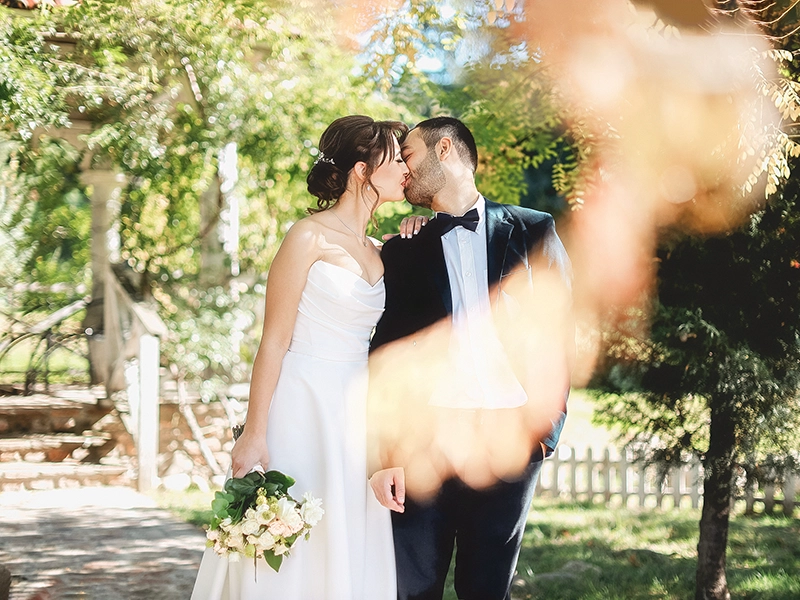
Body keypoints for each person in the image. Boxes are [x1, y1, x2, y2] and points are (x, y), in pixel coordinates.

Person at [190, 115, 411, 600]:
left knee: (348, 531)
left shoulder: (383, 250)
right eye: (396, 158)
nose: (405, 168)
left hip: (356, 410)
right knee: (293, 535)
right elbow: (273, 341)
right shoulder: (307, 237)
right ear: (361, 169)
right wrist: (253, 432)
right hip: (302, 400)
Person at [369, 117, 573, 600]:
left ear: (445, 150)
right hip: (424, 446)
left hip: (511, 442)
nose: (403, 169)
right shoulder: (404, 250)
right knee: (414, 588)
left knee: (487, 590)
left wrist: (545, 433)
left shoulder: (534, 230)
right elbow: (384, 356)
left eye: (409, 155)